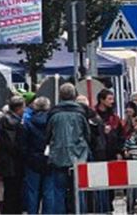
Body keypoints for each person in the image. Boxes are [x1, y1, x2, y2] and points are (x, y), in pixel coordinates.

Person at [46, 84, 91, 214]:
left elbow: (48, 135)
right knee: (79, 190)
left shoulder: (54, 114)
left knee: (58, 191)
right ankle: (79, 212)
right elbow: (87, 134)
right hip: (79, 156)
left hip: (58, 156)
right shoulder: (81, 113)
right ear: (74, 95)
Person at [0, 96, 27, 214]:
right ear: (19, 108)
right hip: (14, 164)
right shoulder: (15, 123)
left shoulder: (3, 121)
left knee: (9, 191)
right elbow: (15, 146)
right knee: (14, 192)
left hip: (5, 163)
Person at [23, 97, 55, 214]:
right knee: (49, 191)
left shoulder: (28, 123)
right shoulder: (52, 122)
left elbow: (24, 144)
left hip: (32, 161)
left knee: (33, 191)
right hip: (49, 159)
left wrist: (27, 157)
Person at [122, 116, 137, 213]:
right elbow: (125, 147)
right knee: (131, 190)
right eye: (136, 124)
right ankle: (130, 208)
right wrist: (126, 152)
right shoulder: (131, 137)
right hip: (132, 164)